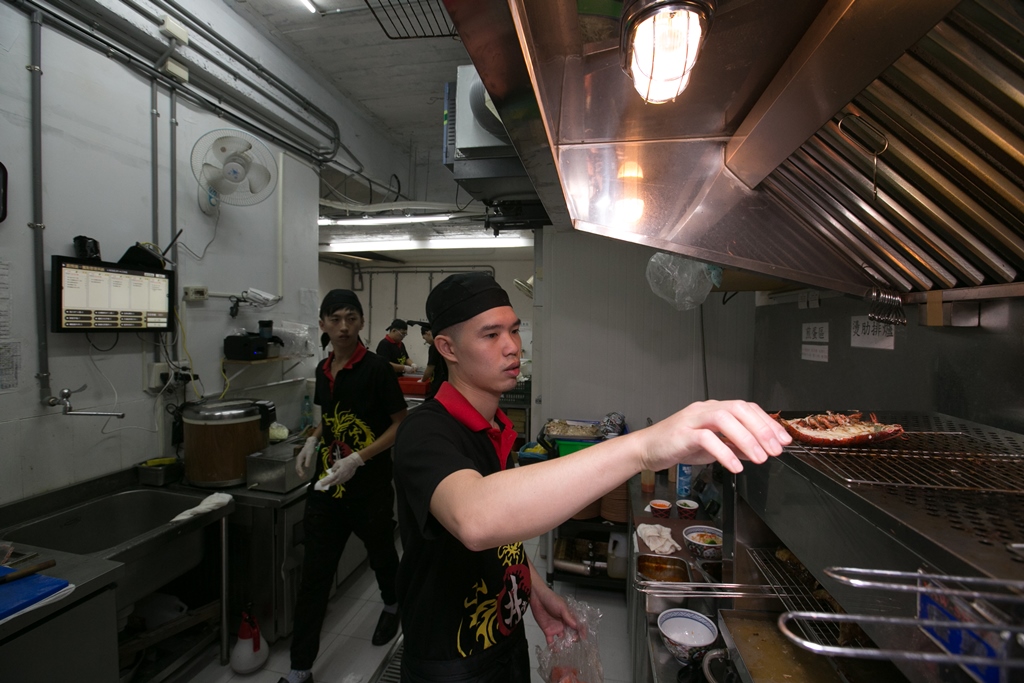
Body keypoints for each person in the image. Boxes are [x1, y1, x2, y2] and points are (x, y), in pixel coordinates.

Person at [392, 272, 791, 682]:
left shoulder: (495, 427)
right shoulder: (425, 431)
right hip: (450, 661)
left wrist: (535, 591)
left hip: (506, 641)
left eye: (513, 330)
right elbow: (475, 518)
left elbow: (503, 532)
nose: (512, 346)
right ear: (447, 348)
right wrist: (642, 447)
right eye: (490, 335)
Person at [283, 290, 408, 683]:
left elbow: (400, 423)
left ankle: (392, 605)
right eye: (335, 319)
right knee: (314, 578)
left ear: (361, 322)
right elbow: (330, 417)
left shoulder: (377, 369)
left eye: (351, 318)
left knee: (382, 554)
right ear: (322, 323)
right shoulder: (323, 370)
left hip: (369, 488)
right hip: (327, 489)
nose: (343, 327)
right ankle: (300, 669)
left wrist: (359, 458)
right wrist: (311, 440)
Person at [418, 323, 447, 400]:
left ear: (427, 333)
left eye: (424, 338)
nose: (426, 341)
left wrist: (422, 380)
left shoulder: (434, 347)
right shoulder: (443, 344)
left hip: (438, 384)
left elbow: (430, 368)